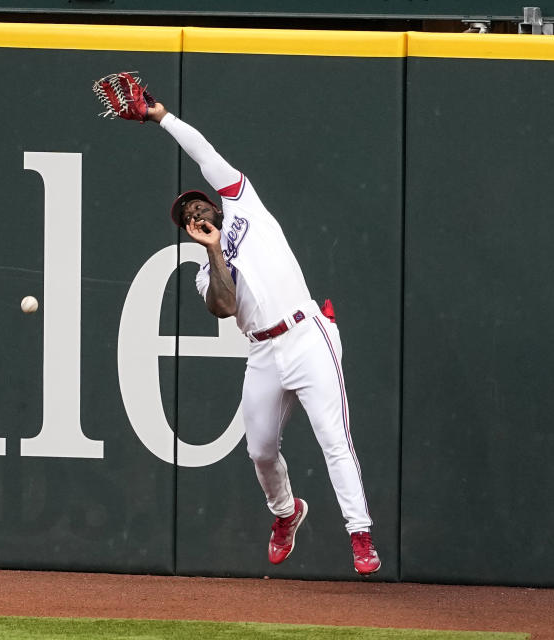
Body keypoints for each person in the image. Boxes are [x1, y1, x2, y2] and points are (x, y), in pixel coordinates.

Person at [145, 101, 380, 576]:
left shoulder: (243, 205)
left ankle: (360, 535)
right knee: (260, 450)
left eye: (196, 204)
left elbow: (204, 153)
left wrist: (161, 118)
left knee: (334, 439)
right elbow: (225, 306)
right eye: (187, 216)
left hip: (307, 334)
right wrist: (213, 253)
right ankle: (286, 513)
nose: (194, 211)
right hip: (263, 352)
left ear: (213, 201)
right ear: (190, 230)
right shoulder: (202, 270)